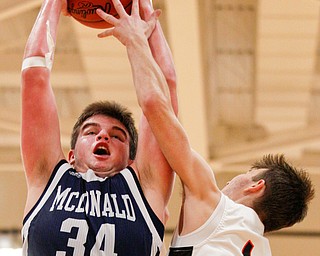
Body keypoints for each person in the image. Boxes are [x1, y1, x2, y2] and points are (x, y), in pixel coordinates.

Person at [96, 0, 316, 255]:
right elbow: (166, 86)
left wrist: (135, 40)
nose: (234, 179)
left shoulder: (214, 205)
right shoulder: (260, 249)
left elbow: (155, 102)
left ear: (255, 186)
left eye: (246, 174)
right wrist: (147, 23)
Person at [20, 0, 177, 255]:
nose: (103, 135)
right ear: (70, 155)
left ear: (131, 161)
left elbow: (164, 90)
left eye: (117, 136)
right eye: (91, 132)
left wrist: (143, 18)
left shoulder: (145, 188)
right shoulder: (48, 178)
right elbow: (33, 75)